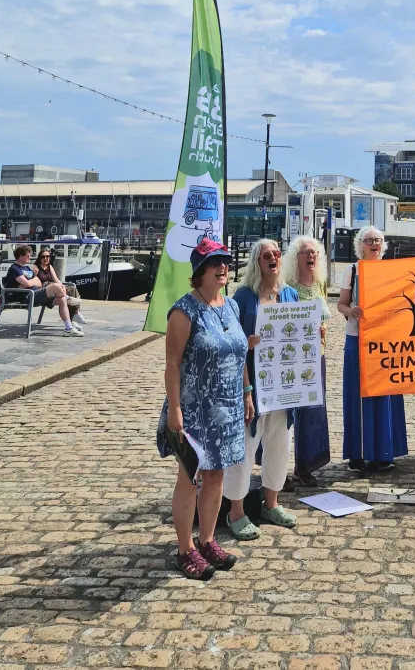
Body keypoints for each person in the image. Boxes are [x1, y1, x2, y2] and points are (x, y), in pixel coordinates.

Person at [157, 239, 247, 580]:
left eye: (225, 261)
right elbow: (171, 364)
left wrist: (247, 392)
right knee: (190, 476)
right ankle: (185, 550)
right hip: (195, 409)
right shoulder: (184, 311)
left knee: (217, 474)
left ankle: (207, 539)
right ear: (200, 271)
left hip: (228, 407)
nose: (222, 267)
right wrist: (175, 411)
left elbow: (240, 354)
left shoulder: (232, 307)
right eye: (214, 263)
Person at [224, 239, 299, 539]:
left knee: (279, 447)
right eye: (266, 255)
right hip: (252, 383)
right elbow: (231, 342)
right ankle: (236, 511)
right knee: (244, 449)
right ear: (257, 261)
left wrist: (312, 331)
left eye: (277, 254)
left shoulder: (291, 294)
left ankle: (271, 504)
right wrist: (247, 343)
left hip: (284, 386)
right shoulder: (243, 297)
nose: (273, 259)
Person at [338, 225, 408, 473]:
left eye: (378, 239)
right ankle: (357, 454)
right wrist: (352, 312)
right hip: (357, 338)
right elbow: (341, 305)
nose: (374, 243)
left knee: (385, 393)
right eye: (368, 240)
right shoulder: (352, 271)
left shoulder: (393, 270)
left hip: (386, 341)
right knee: (358, 394)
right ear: (361, 245)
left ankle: (384, 452)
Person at [280, 236, 331, 486]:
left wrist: (320, 329)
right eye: (305, 252)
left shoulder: (320, 284)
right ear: (295, 257)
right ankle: (278, 469)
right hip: (293, 359)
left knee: (312, 412)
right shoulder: (287, 286)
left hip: (317, 356)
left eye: (314, 253)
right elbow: (282, 321)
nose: (311, 256)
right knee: (288, 412)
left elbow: (323, 317)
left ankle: (306, 465)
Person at [4, 244, 80, 336]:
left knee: (61, 300)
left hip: (35, 293)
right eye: (28, 255)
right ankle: (68, 298)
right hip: (28, 296)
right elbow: (28, 283)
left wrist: (31, 282)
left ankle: (69, 328)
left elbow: (38, 282)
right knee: (55, 286)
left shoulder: (27, 268)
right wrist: (32, 281)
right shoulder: (15, 269)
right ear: (20, 256)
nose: (30, 257)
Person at [35, 246, 87, 325]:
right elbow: (35, 281)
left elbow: (56, 279)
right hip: (44, 290)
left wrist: (62, 286)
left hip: (54, 288)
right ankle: (68, 303)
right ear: (39, 258)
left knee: (72, 289)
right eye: (43, 257)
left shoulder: (50, 267)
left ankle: (75, 313)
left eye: (47, 256)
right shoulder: (36, 267)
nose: (45, 258)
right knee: (51, 285)